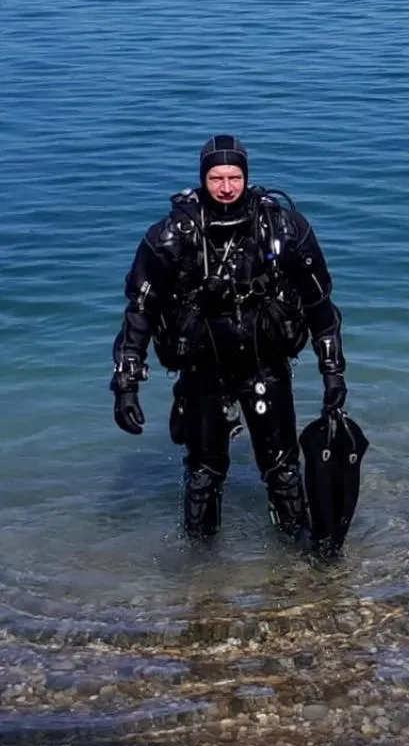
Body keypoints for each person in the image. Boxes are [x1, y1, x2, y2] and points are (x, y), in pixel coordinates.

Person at [110, 135, 347, 541]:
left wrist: (333, 372)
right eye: (216, 177)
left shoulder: (283, 228)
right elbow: (140, 312)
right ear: (203, 178)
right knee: (204, 477)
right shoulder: (171, 237)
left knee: (284, 471)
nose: (225, 186)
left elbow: (320, 304)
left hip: (264, 364)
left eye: (234, 176)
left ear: (246, 177)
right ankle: (200, 580)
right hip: (203, 368)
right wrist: (125, 384)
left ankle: (301, 564)